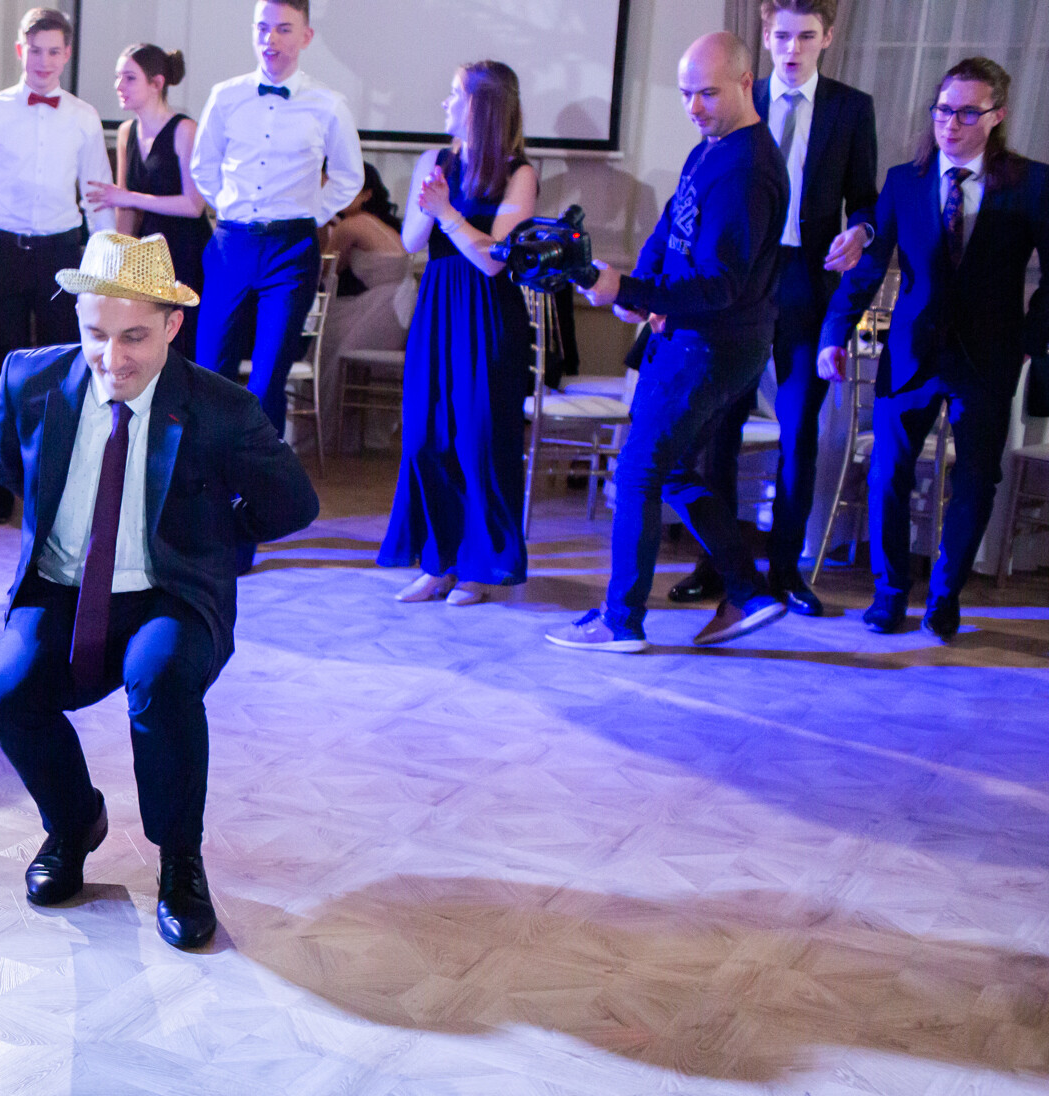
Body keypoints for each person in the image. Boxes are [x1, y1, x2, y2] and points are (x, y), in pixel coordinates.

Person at [0, 231, 319, 950]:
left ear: (172, 325)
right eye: (96, 334)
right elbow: (3, 460)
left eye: (134, 336)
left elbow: (293, 504)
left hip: (169, 588)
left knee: (160, 680)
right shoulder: (28, 380)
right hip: (63, 583)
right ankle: (74, 823)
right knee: (7, 695)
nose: (113, 357)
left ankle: (180, 863)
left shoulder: (220, 408)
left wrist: (214, 537)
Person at [548, 32, 790, 653]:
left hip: (710, 346)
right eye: (685, 94)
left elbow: (721, 284)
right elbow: (669, 232)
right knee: (671, 468)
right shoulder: (712, 148)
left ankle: (620, 620)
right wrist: (638, 289)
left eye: (707, 93)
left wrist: (631, 288)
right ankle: (747, 591)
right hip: (700, 338)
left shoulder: (746, 169)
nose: (694, 107)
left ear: (745, 83)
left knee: (638, 471)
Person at [820, 57, 1049, 641]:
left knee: (975, 482)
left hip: (988, 358)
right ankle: (890, 593)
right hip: (910, 354)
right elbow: (869, 266)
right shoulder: (905, 180)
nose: (950, 123)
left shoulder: (1032, 183)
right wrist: (834, 334)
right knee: (888, 474)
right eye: (943, 110)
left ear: (997, 116)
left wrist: (1029, 339)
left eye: (968, 113)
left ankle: (945, 597)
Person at [666, 0, 877, 616]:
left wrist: (862, 230)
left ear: (827, 38)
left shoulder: (850, 108)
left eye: (805, 36)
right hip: (738, 284)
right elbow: (703, 188)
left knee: (799, 429)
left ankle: (787, 572)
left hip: (806, 282)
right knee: (719, 428)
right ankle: (719, 566)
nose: (792, 49)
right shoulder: (738, 94)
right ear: (765, 35)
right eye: (782, 36)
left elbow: (865, 199)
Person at [377, 61, 537, 607]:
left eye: (454, 95)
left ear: (482, 106)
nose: (445, 104)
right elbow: (409, 241)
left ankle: (479, 568)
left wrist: (447, 212)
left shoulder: (519, 174)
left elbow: (495, 259)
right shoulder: (435, 160)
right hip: (438, 308)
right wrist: (430, 206)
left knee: (479, 440)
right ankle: (437, 561)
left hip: (488, 315)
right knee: (426, 437)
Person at [0, 8, 116, 525]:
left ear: (67, 55)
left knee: (64, 372)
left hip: (62, 256)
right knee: (2, 371)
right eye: (35, 51)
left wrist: (105, 269)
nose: (43, 61)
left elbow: (98, 199)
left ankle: (55, 484)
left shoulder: (84, 116)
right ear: (21, 51)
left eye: (54, 51)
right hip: (3, 253)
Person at [190, 0, 364, 437]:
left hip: (291, 249)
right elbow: (203, 166)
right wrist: (228, 207)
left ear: (306, 37)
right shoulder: (225, 95)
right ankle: (208, 470)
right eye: (262, 28)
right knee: (211, 368)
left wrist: (310, 215)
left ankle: (259, 476)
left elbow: (349, 177)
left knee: (268, 378)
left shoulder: (329, 104)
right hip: (231, 244)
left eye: (284, 29)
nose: (270, 39)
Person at [86, 44, 211, 359]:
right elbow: (125, 209)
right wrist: (117, 265)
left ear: (157, 83)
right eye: (118, 77)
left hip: (186, 249)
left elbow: (193, 205)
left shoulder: (184, 130)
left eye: (130, 78)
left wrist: (127, 196)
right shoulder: (126, 131)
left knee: (183, 341)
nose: (119, 85)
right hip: (147, 254)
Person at [315, 167, 409, 452]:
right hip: (400, 310)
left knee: (322, 343)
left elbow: (325, 270)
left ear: (367, 194)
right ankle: (352, 434)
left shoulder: (351, 226)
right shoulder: (378, 223)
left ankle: (322, 433)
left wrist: (320, 226)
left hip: (381, 308)